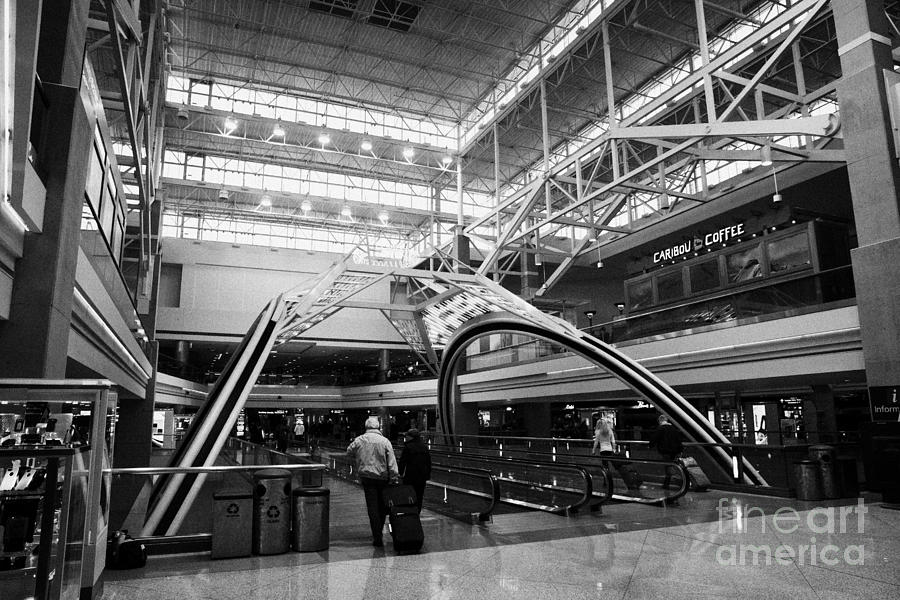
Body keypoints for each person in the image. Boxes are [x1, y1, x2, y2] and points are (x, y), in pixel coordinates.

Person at [346, 416, 399, 547]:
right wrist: (394, 477)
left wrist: (359, 456)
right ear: (378, 427)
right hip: (382, 478)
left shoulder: (360, 440)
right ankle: (379, 530)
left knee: (372, 507)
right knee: (382, 506)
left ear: (366, 427)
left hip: (367, 478)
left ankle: (377, 535)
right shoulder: (385, 441)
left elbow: (349, 451)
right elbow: (392, 462)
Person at [398, 428, 431, 512]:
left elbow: (403, 462)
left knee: (409, 494)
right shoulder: (424, 447)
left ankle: (410, 511)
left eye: (407, 436)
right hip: (422, 477)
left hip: (410, 476)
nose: (406, 437)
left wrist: (400, 473)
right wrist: (427, 475)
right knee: (419, 495)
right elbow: (428, 462)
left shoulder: (408, 447)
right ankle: (417, 511)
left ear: (411, 437)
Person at [649, 414, 683, 490]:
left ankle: (680, 482)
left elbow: (654, 439)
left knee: (669, 467)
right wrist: (680, 450)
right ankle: (667, 484)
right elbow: (678, 439)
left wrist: (650, 445)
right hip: (675, 451)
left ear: (660, 421)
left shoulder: (660, 429)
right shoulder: (673, 428)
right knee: (670, 466)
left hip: (665, 451)